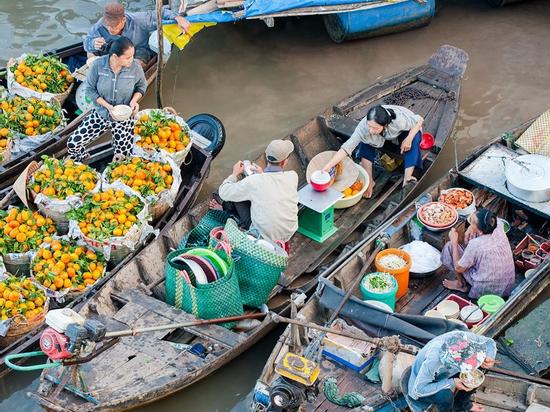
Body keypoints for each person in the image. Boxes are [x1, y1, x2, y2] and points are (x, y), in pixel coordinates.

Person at [67, 37, 146, 162]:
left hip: (124, 117)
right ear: (115, 56)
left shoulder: (135, 67)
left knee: (123, 156)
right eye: (127, 57)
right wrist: (108, 107)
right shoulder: (98, 65)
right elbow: (90, 90)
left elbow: (141, 86)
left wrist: (134, 101)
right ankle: (82, 160)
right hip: (101, 114)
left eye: (132, 56)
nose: (132, 60)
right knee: (73, 143)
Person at [322, 105, 424, 198]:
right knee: (364, 142)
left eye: (375, 128)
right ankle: (369, 179)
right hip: (381, 138)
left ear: (385, 125)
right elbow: (346, 148)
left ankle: (407, 178)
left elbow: (419, 121)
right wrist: (328, 166)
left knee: (414, 140)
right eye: (369, 126)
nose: (371, 130)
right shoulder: (364, 127)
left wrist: (409, 139)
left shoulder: (399, 121)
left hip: (405, 130)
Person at [210, 140, 299, 243]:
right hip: (288, 233)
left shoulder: (254, 181)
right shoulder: (293, 176)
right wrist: (262, 174)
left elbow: (223, 193)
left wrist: (234, 174)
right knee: (254, 194)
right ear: (284, 162)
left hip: (263, 237)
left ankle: (225, 209)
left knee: (238, 194)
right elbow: (273, 183)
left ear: (266, 156)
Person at [408, 331, 497, 412]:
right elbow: (418, 390)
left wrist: (489, 356)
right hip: (424, 384)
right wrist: (451, 382)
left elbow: (489, 342)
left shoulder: (463, 336)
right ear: (450, 363)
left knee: (479, 370)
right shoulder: (433, 361)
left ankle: (462, 403)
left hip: (447, 372)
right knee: (445, 395)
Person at [84, 2, 190, 66]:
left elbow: (161, 13)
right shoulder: (100, 25)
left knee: (137, 65)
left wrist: (178, 17)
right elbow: (87, 43)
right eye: (107, 26)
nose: (110, 29)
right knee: (90, 54)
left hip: (138, 49)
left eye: (114, 26)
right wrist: (93, 43)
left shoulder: (138, 19)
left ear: (123, 20)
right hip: (113, 51)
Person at [441, 208, 515, 299]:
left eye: (473, 223)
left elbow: (458, 268)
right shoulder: (499, 224)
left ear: (480, 231)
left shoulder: (476, 245)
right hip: (506, 285)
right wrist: (470, 228)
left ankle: (460, 284)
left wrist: (454, 241)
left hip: (486, 290)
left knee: (450, 247)